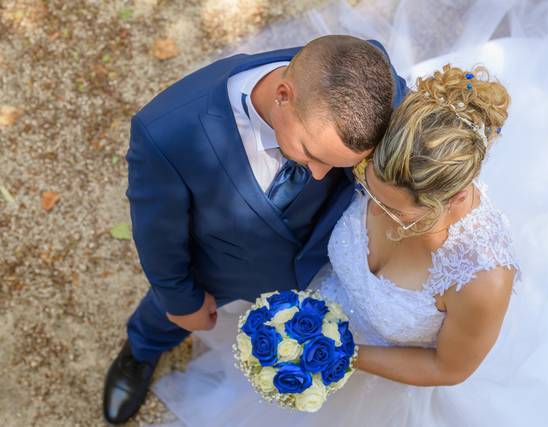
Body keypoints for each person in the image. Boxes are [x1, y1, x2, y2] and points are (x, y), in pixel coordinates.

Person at [150, 0, 548, 426]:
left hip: (384, 378)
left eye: (392, 208)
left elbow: (449, 369)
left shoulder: (483, 280)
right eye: (369, 190)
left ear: (449, 202)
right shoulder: (384, 156)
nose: (371, 205)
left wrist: (345, 356)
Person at [103, 34, 407, 424]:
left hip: (329, 256)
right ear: (283, 94)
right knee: (163, 313)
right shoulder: (167, 136)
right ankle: (139, 353)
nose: (318, 174)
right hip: (224, 266)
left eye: (338, 164)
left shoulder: (368, 83)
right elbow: (158, 238)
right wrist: (183, 303)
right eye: (312, 155)